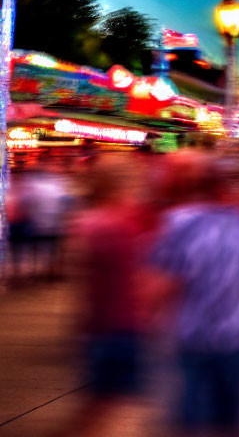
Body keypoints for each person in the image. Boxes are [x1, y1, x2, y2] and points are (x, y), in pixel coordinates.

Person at [150, 154, 239, 437]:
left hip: (192, 335)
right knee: (229, 417)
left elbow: (164, 282)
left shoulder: (180, 222)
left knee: (189, 418)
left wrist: (152, 319)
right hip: (236, 338)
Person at [56, 155, 151, 437]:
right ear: (123, 184)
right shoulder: (117, 224)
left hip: (101, 327)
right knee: (106, 409)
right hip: (122, 328)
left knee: (102, 407)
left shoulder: (87, 222)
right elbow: (139, 278)